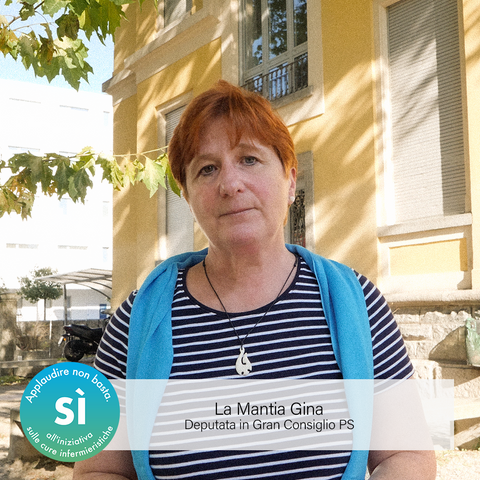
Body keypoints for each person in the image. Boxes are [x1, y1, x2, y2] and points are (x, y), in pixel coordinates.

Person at [73, 81, 436, 479]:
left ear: (290, 181)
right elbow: (99, 470)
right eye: (207, 169)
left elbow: (406, 456)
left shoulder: (357, 302)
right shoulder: (136, 321)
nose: (230, 184)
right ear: (188, 196)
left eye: (249, 159)